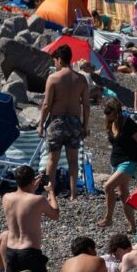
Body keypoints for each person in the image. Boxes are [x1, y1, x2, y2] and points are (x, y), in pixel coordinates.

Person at [39, 44, 90, 201]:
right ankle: (73, 194)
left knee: (52, 160)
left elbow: (46, 104)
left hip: (57, 122)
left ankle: (51, 194)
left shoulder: (53, 78)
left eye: (55, 60)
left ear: (60, 59)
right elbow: (86, 105)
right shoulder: (81, 79)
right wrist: (85, 126)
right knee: (73, 161)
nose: (55, 64)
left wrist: (40, 124)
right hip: (74, 122)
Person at [2, 166, 59, 272]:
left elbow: (23, 201)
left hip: (11, 251)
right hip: (29, 252)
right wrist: (51, 192)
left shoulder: (6, 197)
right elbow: (55, 214)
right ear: (32, 181)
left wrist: (31, 187)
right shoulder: (38, 200)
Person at [98, 99, 137, 231]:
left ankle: (108, 218)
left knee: (108, 187)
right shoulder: (111, 123)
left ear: (115, 111)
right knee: (123, 194)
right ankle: (133, 226)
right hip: (116, 162)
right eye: (105, 112)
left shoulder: (128, 123)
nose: (106, 115)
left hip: (129, 161)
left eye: (108, 112)